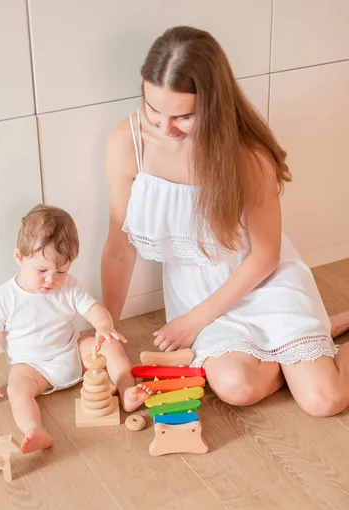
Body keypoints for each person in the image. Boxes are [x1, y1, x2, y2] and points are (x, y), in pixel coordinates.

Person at [99, 25, 349, 416]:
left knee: (325, 401)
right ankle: (308, 341)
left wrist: (192, 323)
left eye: (183, 116)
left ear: (213, 104)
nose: (164, 128)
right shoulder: (126, 143)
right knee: (237, 387)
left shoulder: (247, 157)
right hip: (196, 291)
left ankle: (304, 341)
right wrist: (107, 329)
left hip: (261, 281)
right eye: (153, 109)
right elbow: (119, 250)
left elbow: (264, 257)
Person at [0, 204, 144, 453]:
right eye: (42, 270)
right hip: (33, 368)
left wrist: (103, 327)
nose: (51, 280)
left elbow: (94, 309)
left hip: (72, 353)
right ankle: (34, 429)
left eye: (61, 271)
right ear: (19, 257)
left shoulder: (69, 287)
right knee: (16, 387)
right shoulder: (2, 298)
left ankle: (128, 390)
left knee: (109, 344)